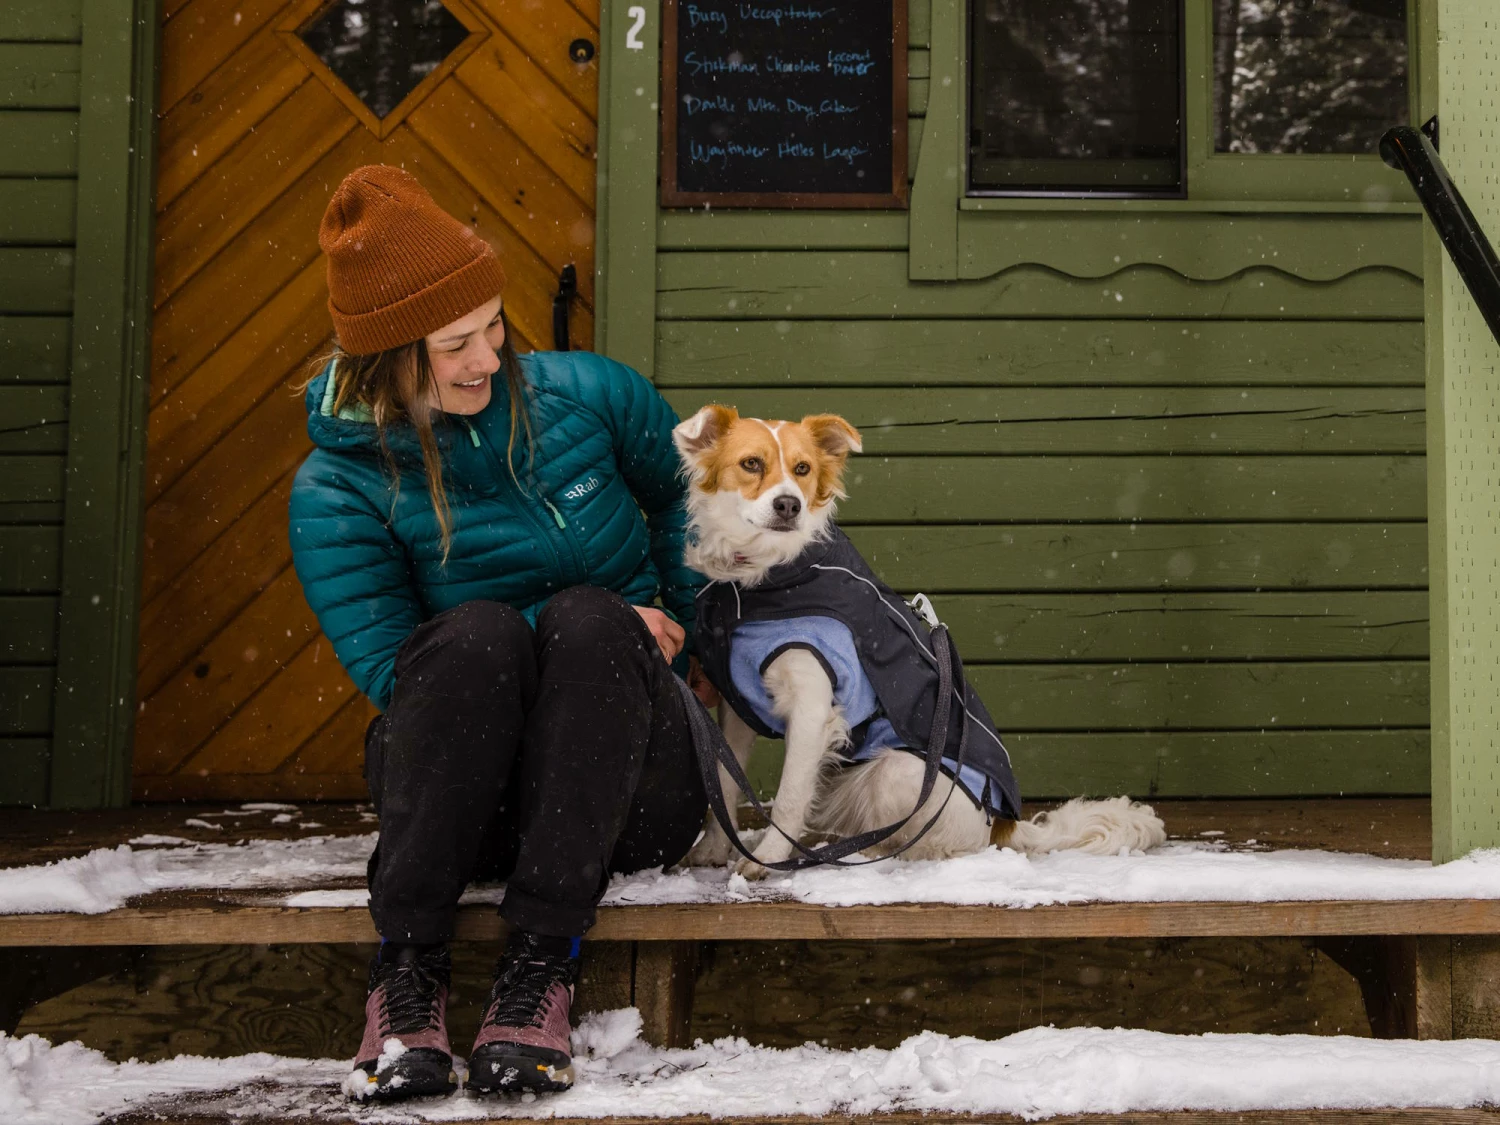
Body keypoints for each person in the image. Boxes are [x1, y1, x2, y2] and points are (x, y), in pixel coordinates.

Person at [289, 165, 712, 1101]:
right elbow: (400, 676)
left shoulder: (596, 395)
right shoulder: (337, 491)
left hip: (632, 791)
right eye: (453, 345)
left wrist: (679, 619)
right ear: (389, 357)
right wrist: (550, 627)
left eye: (494, 327)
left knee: (593, 622)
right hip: (466, 805)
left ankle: (542, 968)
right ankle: (406, 977)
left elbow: (698, 499)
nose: (487, 358)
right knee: (478, 634)